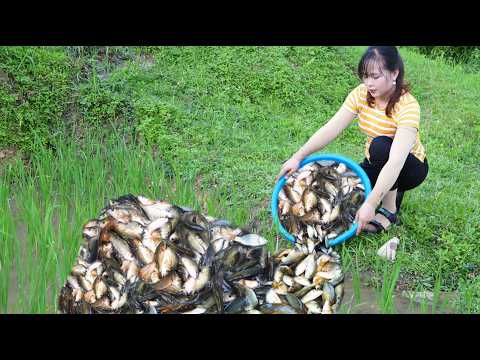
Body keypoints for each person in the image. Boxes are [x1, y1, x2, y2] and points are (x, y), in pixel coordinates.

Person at [275, 46, 429, 235]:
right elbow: (331, 128)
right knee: (339, 188)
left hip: (410, 167)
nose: (369, 83)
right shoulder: (361, 94)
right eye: (365, 76)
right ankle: (384, 190)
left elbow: (396, 161)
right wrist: (298, 156)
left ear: (394, 73)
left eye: (375, 76)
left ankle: (390, 208)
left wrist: (372, 203)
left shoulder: (408, 106)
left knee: (380, 147)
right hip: (376, 162)